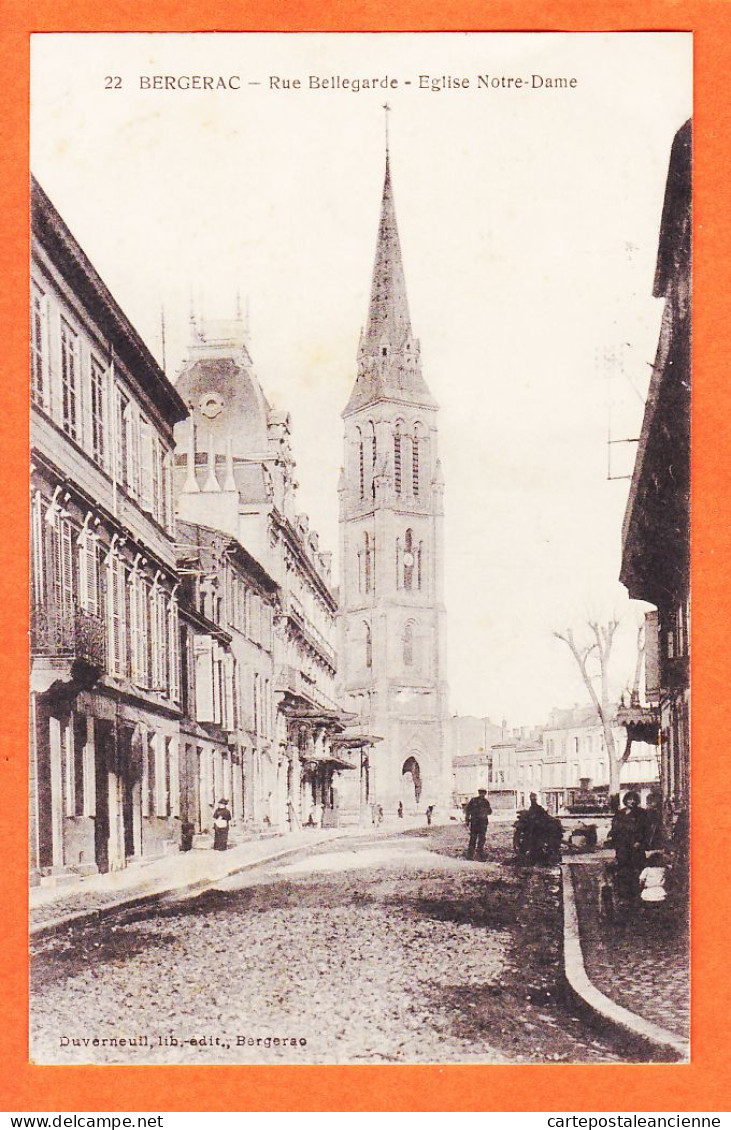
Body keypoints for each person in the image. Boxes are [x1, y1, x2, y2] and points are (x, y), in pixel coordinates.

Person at [608, 789, 647, 900]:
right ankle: (623, 892)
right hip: (622, 844)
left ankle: (636, 892)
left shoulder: (641, 813)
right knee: (622, 867)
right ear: (625, 800)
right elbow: (614, 827)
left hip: (635, 844)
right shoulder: (620, 813)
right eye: (629, 799)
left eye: (634, 799)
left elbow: (644, 829)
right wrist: (612, 837)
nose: (632, 802)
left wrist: (639, 841)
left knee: (636, 867)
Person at [465, 788, 492, 861]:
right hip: (476, 823)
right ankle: (471, 855)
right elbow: (468, 810)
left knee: (481, 839)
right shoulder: (475, 801)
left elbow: (490, 811)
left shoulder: (485, 802)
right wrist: (467, 819)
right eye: (481, 793)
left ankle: (479, 855)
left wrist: (484, 812)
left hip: (481, 823)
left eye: (483, 793)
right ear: (479, 793)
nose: (482, 794)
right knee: (474, 838)